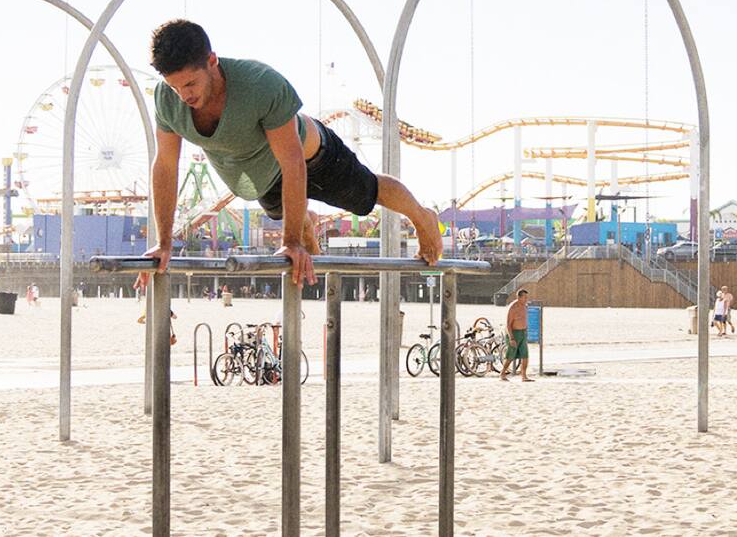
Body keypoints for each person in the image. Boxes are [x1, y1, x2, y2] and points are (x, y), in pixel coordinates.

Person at [135, 20, 442, 289]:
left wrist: (291, 243)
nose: (184, 95)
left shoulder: (260, 84)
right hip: (263, 179)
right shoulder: (167, 100)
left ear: (212, 61)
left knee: (366, 192)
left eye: (191, 83)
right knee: (285, 213)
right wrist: (163, 244)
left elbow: (293, 163)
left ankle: (421, 216)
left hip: (312, 157)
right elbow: (165, 166)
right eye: (175, 87)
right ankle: (303, 219)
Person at [500, 289, 533, 382]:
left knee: (525, 355)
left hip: (522, 333)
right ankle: (502, 373)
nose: (526, 299)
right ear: (518, 297)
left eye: (527, 297)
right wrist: (511, 338)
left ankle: (524, 376)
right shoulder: (513, 308)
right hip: (514, 333)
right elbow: (508, 324)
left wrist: (526, 331)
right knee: (510, 355)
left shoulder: (525, 306)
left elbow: (524, 319)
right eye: (524, 297)